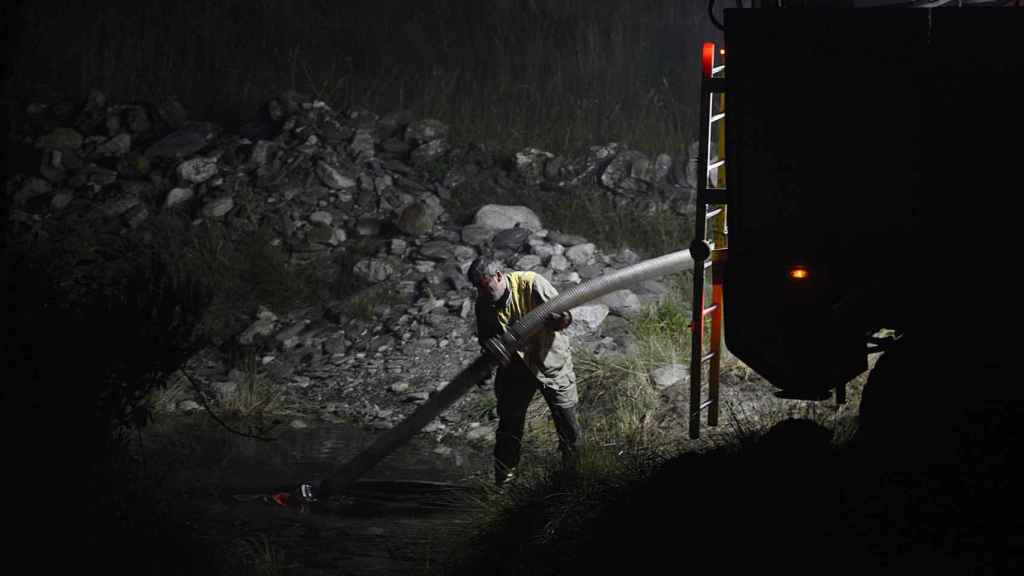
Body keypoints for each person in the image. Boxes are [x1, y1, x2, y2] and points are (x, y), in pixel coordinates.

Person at [467, 255, 583, 487]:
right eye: (477, 288)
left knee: (568, 426)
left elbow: (567, 314)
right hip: (515, 370)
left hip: (550, 362)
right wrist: (490, 349)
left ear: (499, 276)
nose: (482, 292)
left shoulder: (532, 283)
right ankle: (504, 483)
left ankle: (574, 480)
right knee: (509, 428)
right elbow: (486, 339)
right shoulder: (483, 303)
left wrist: (559, 319)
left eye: (484, 285)